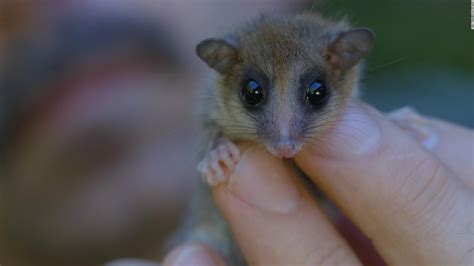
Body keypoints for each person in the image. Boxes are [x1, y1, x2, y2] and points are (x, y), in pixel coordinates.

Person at [160, 101, 474, 265]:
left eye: (315, 96)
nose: (284, 141)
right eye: (255, 96)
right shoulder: (218, 121)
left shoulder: (449, 99)